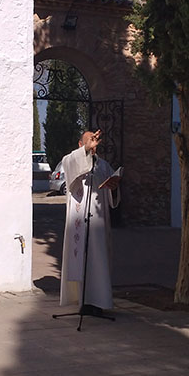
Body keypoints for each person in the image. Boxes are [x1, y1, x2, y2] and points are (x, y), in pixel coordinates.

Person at [59, 130, 120, 313]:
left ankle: (99, 301)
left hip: (99, 222)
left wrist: (114, 188)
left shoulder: (103, 166)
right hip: (79, 221)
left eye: (95, 141)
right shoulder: (72, 160)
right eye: (89, 141)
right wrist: (86, 149)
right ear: (80, 144)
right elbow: (69, 163)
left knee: (98, 259)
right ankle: (83, 301)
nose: (94, 144)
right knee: (82, 259)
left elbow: (111, 195)